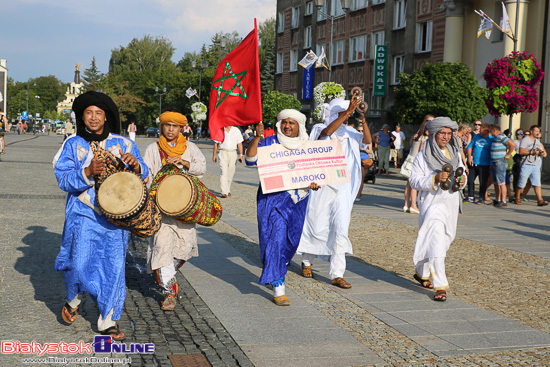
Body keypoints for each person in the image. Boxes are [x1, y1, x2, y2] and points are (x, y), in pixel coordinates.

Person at [53, 91, 148, 341]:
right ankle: (74, 297)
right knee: (80, 263)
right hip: (83, 214)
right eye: (88, 113)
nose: (93, 117)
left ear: (106, 117)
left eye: (98, 113)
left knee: (114, 267)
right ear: (82, 117)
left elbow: (144, 173)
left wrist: (136, 165)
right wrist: (86, 171)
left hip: (117, 219)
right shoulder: (73, 144)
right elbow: (63, 179)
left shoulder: (124, 143)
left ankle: (108, 320)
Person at [245, 110, 319, 306]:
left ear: (299, 126)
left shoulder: (307, 147)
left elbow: (317, 172)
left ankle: (275, 266)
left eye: (291, 123)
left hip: (298, 199)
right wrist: (257, 137)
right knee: (275, 239)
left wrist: (314, 181)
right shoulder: (271, 143)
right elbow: (250, 159)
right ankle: (279, 286)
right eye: (284, 122)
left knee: (291, 241)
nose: (287, 126)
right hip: (273, 199)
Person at [297, 96, 366, 289]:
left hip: (343, 186)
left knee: (341, 228)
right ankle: (307, 259)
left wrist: (363, 118)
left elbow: (367, 141)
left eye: (345, 114)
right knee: (317, 224)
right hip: (323, 183)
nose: (344, 117)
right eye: (339, 113)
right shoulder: (319, 128)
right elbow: (328, 132)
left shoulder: (351, 132)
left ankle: (337, 273)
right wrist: (348, 111)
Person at [143, 109, 206, 310]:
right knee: (162, 247)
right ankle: (169, 292)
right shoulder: (153, 149)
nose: (170, 129)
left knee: (183, 249)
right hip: (160, 210)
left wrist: (183, 162)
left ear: (181, 128)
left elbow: (202, 167)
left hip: (185, 210)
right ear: (162, 127)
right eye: (167, 125)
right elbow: (147, 173)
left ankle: (164, 272)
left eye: (174, 126)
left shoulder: (190, 148)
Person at [409, 117, 466, 302]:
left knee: (445, 240)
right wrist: (434, 179)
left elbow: (462, 171)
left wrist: (463, 180)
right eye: (442, 133)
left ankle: (421, 272)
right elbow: (414, 180)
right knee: (436, 242)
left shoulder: (455, 153)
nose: (446, 137)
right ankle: (440, 285)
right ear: (434, 134)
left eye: (449, 133)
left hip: (450, 203)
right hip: (432, 205)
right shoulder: (423, 156)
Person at [402, 114, 434, 213]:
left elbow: (411, 145)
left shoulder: (418, 133)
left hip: (410, 159)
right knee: (415, 184)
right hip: (416, 161)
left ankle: (406, 204)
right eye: (428, 121)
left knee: (409, 184)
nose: (429, 123)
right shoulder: (426, 135)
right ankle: (413, 205)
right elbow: (421, 151)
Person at [514, 125, 548, 206]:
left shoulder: (537, 141)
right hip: (526, 164)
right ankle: (517, 198)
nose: (537, 133)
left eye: (538, 131)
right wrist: (532, 152)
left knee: (537, 183)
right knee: (522, 182)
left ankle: (540, 200)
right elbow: (521, 151)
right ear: (531, 131)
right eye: (536, 131)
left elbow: (542, 151)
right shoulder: (525, 140)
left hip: (535, 164)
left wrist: (541, 152)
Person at [212, 126, 244, 198]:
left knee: (231, 172)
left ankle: (227, 189)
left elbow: (240, 143)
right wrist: (214, 155)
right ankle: (224, 192)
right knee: (224, 172)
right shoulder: (220, 130)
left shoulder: (236, 130)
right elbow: (216, 144)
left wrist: (241, 155)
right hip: (223, 152)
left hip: (233, 152)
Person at [466, 123, 494, 204]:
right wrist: (469, 156)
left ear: (487, 131)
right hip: (474, 163)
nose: (479, 132)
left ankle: (481, 197)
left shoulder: (491, 139)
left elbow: (492, 152)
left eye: (481, 130)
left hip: (485, 164)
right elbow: (470, 146)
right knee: (470, 180)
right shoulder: (476, 136)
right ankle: (470, 196)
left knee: (483, 182)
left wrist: (491, 164)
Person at [490, 125, 515, 207]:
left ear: (494, 130)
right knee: (496, 182)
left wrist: (508, 154)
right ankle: (498, 199)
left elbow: (512, 144)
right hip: (495, 162)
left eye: (491, 131)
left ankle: (503, 200)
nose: (490, 133)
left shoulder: (501, 136)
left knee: (501, 182)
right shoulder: (496, 138)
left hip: (500, 162)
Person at [354, 115, 373, 201]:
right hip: (355, 159)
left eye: (362, 130)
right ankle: (354, 193)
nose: (361, 132)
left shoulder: (367, 139)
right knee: (354, 178)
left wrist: (362, 149)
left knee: (361, 178)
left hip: (364, 160)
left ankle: (358, 195)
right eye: (359, 130)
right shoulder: (355, 138)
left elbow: (370, 151)